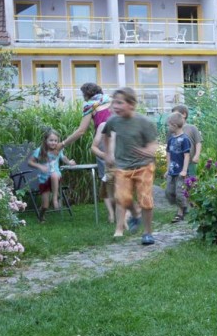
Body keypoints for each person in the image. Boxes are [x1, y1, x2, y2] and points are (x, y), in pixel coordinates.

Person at [59, 83, 124, 224]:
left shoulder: (91, 106)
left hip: (103, 141)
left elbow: (81, 130)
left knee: (107, 178)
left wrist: (63, 143)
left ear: (86, 94)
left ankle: (113, 214)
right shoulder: (111, 99)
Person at [103, 87, 159, 245]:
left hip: (144, 167)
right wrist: (107, 154)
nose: (115, 106)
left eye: (120, 103)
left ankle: (147, 233)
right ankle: (135, 214)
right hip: (122, 166)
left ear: (132, 104)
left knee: (145, 199)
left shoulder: (144, 123)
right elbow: (106, 136)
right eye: (114, 102)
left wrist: (145, 151)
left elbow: (154, 146)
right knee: (121, 198)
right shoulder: (113, 121)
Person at [28, 127, 75, 222]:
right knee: (45, 205)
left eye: (56, 140)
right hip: (44, 180)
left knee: (54, 175)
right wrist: (40, 166)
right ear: (45, 141)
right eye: (51, 140)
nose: (53, 143)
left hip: (56, 177)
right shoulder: (40, 150)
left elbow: (64, 158)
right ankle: (41, 216)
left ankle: (54, 199)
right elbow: (30, 162)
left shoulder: (58, 150)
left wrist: (69, 162)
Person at [164, 112, 191, 223]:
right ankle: (185, 205)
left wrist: (184, 170)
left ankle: (180, 213)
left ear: (174, 125)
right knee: (169, 192)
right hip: (172, 171)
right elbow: (168, 154)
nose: (167, 127)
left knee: (179, 192)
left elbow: (187, 155)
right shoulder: (171, 139)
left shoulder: (185, 139)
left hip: (181, 172)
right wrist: (167, 169)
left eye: (168, 125)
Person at [168, 104, 203, 177]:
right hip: (177, 163)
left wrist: (197, 155)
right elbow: (169, 148)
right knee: (178, 182)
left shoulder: (192, 128)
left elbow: (198, 142)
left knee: (191, 181)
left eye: (176, 115)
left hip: (190, 161)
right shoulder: (172, 130)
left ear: (184, 114)